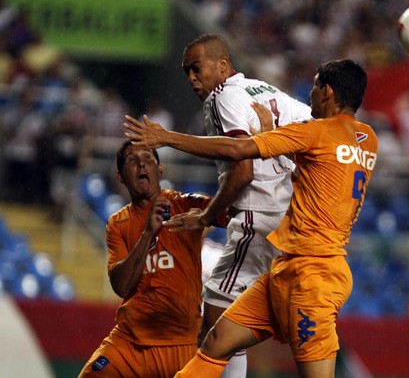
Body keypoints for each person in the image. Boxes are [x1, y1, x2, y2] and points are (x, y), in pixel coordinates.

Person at [124, 58, 378, 378]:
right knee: (217, 341)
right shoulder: (367, 138)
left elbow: (236, 151)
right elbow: (322, 165)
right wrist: (276, 136)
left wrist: (168, 138)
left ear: (327, 92)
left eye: (314, 86)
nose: (310, 94)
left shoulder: (315, 133)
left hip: (312, 279)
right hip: (291, 269)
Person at [179, 34, 313, 377]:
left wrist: (207, 216)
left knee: (215, 331)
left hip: (258, 221)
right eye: (186, 73)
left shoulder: (220, 98)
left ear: (222, 65)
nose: (192, 79)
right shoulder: (264, 90)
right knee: (247, 332)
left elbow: (242, 173)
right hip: (290, 225)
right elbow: (318, 134)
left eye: (196, 69)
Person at [78, 140, 227, 377]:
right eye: (132, 160)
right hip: (130, 343)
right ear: (120, 177)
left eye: (148, 158)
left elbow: (238, 213)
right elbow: (121, 286)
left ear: (160, 169)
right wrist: (148, 232)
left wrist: (204, 218)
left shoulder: (186, 204)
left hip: (182, 344)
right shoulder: (118, 223)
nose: (141, 165)